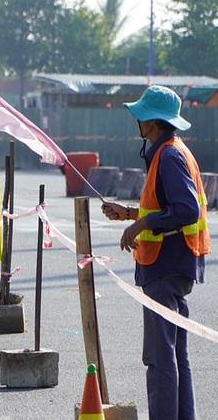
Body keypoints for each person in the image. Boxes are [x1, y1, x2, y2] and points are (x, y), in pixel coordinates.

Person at [101, 85, 210, 419]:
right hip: (176, 264)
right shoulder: (172, 150)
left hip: (166, 266)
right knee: (175, 357)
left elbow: (186, 210)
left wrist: (137, 227)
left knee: (160, 358)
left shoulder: (170, 155)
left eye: (140, 115)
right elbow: (165, 207)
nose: (137, 120)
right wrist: (131, 214)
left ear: (151, 122)